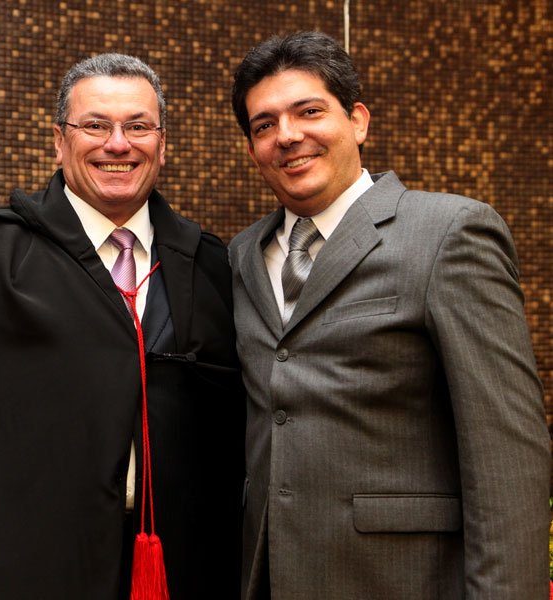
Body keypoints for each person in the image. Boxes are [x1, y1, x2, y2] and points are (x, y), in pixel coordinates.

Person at [0, 53, 244, 600]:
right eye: (95, 126)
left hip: (180, 561)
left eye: (138, 127)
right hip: (33, 560)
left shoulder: (206, 263)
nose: (118, 144)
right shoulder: (1, 254)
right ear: (59, 142)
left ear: (162, 144)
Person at [228, 31, 550, 599]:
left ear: (357, 121)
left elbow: (508, 459)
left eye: (309, 111)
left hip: (403, 580)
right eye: (264, 125)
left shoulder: (449, 233)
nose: (288, 135)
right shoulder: (241, 256)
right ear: (253, 149)